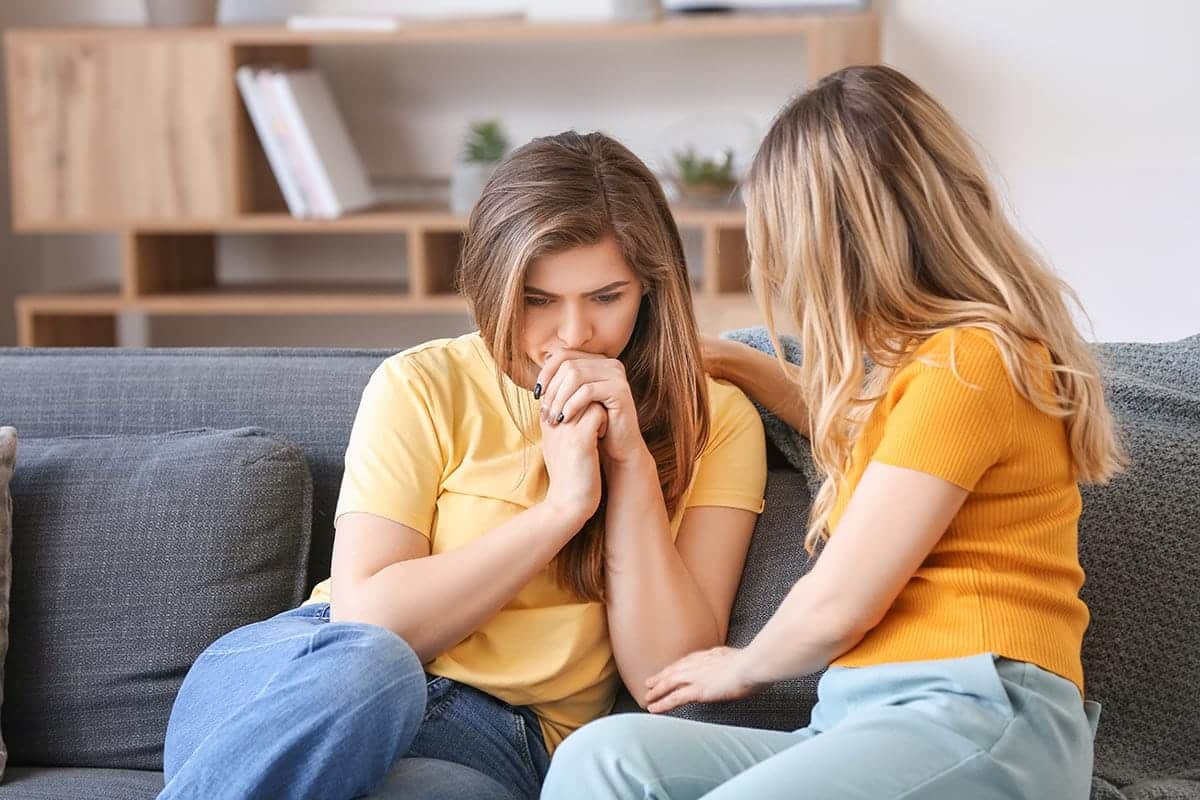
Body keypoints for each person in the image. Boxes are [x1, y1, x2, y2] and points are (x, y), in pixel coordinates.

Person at [542, 65, 1124, 800]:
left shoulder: (974, 362)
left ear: (832, 239)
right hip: (866, 718)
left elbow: (841, 601)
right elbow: (869, 442)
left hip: (977, 714)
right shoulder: (929, 369)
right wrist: (739, 364)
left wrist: (741, 664)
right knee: (605, 757)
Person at [157, 130, 767, 800]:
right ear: (494, 285)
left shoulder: (716, 419)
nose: (572, 335)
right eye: (538, 300)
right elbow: (370, 622)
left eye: (605, 297)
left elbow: (670, 671)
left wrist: (628, 469)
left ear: (650, 289)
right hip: (307, 681)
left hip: (495, 740)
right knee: (378, 669)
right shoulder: (421, 383)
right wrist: (562, 511)